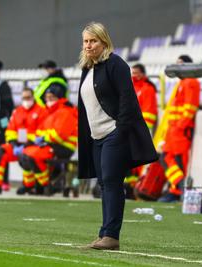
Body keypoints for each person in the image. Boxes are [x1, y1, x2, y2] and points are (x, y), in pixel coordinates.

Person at [77, 22, 157, 250]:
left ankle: (111, 236)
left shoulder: (115, 64)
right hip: (96, 136)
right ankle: (104, 233)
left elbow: (127, 99)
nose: (88, 45)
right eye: (85, 41)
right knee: (105, 184)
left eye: (93, 41)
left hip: (113, 133)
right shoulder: (87, 67)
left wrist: (120, 130)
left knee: (112, 183)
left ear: (104, 42)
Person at [0, 87, 48, 194]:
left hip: (33, 146)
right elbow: (10, 131)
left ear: (33, 97)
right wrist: (14, 144)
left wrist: (27, 144)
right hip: (17, 146)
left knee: (28, 157)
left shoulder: (41, 111)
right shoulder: (17, 112)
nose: (26, 100)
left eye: (28, 97)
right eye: (24, 98)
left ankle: (33, 185)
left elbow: (42, 133)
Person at [16, 87, 77, 195]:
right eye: (47, 97)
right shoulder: (49, 113)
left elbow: (59, 135)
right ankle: (31, 185)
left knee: (32, 156)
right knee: (23, 155)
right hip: (45, 144)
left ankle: (44, 186)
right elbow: (39, 132)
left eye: (52, 97)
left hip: (62, 146)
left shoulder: (63, 112)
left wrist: (43, 138)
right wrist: (23, 142)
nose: (48, 100)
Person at [158, 55, 200, 203]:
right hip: (173, 131)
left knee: (179, 161)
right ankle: (180, 187)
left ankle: (178, 192)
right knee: (165, 157)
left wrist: (180, 127)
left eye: (181, 64)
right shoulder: (182, 83)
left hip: (181, 131)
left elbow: (190, 108)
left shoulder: (191, 82)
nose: (177, 67)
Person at [124, 63, 158, 198]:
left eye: (137, 73)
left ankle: (137, 188)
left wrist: (140, 128)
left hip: (139, 130)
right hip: (128, 129)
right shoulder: (130, 87)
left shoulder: (148, 89)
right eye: (133, 72)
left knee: (138, 161)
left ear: (143, 74)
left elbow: (150, 113)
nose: (134, 75)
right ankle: (131, 188)